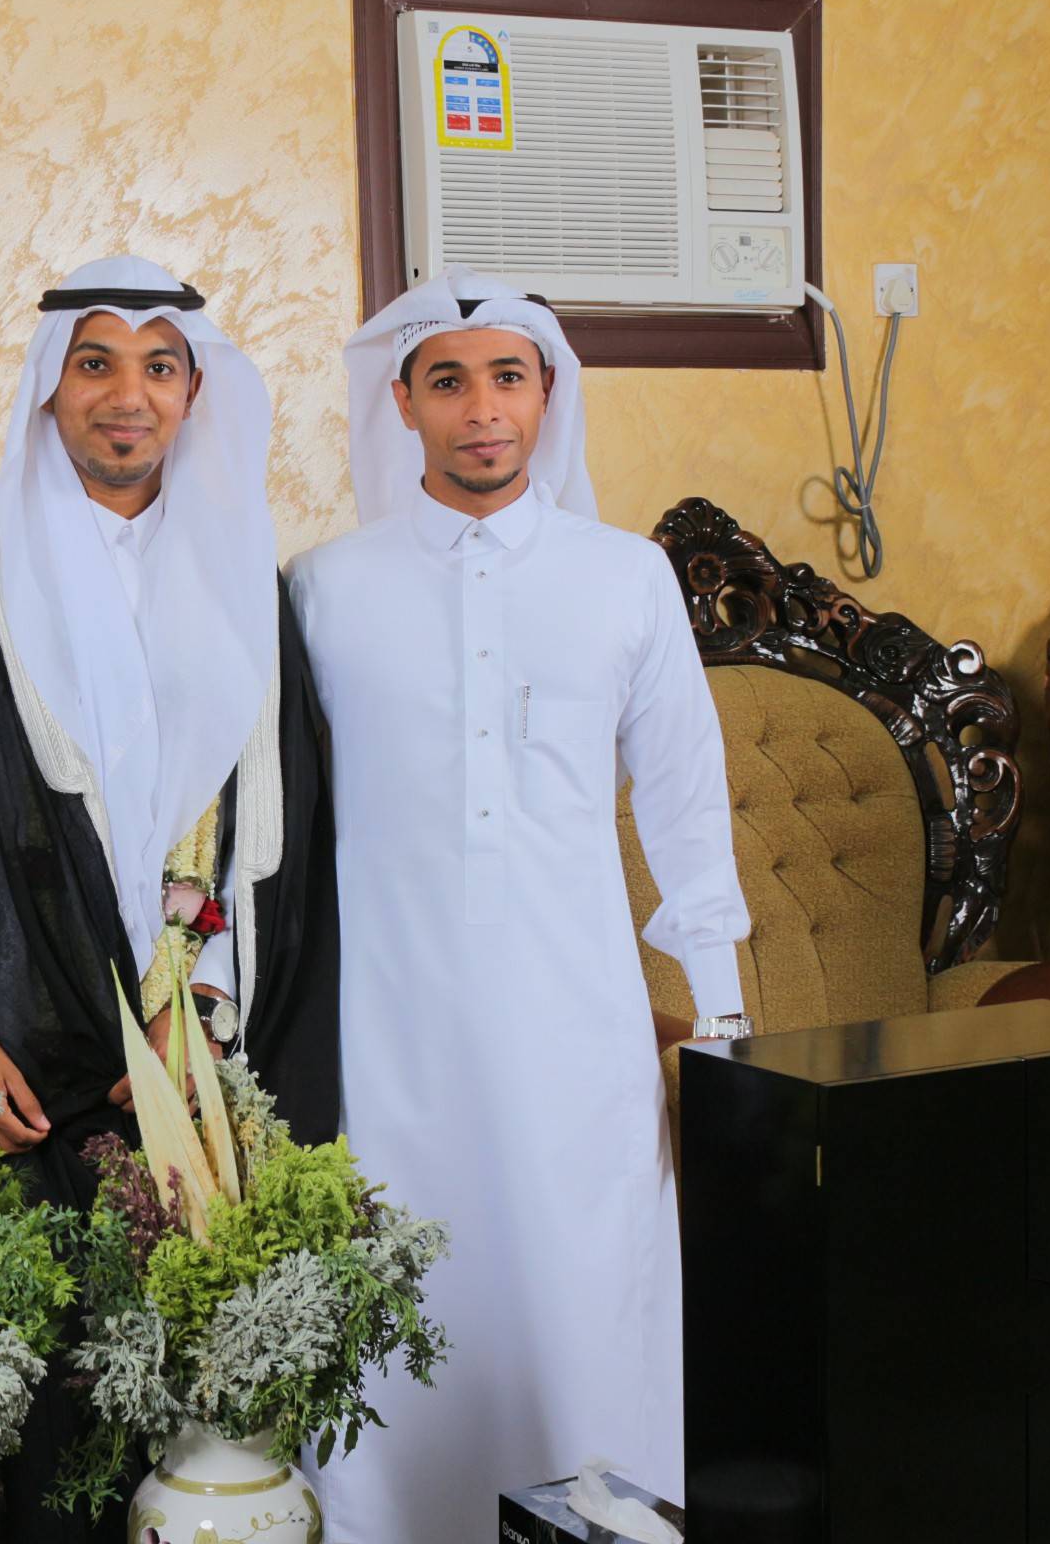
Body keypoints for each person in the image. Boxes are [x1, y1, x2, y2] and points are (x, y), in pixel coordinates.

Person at [0, 255, 339, 1541]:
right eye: (94, 362)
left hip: (190, 1071)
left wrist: (198, 1022)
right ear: (49, 386)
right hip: (11, 1072)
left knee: (198, 1426)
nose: (127, 395)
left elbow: (279, 836)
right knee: (29, 1436)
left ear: (194, 392)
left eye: (159, 366)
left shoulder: (243, 577)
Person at [290, 267, 751, 1538]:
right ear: (402, 403)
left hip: (577, 1026)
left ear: (549, 394)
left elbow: (685, 795)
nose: (482, 410)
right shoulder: (323, 588)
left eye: (508, 378)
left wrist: (719, 1012)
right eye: (449, 382)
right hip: (392, 1035)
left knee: (582, 1297)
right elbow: (268, 826)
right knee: (406, 1303)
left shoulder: (628, 577)